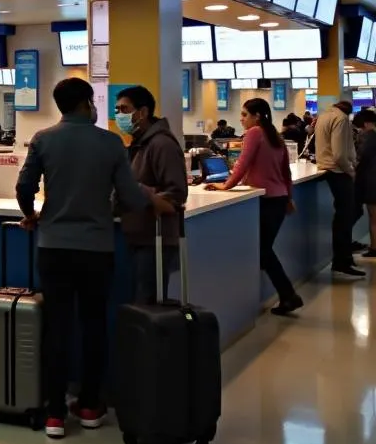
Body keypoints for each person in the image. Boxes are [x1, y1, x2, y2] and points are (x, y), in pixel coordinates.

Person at [16, 77, 174, 440]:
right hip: (96, 249)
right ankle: (90, 405)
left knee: (56, 327)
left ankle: (55, 412)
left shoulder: (43, 139)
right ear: (88, 103)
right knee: (93, 325)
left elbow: (25, 187)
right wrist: (156, 202)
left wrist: (32, 215)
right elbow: (131, 196)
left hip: (53, 246)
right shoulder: (110, 143)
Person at [206, 98, 303, 316]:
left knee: (262, 250)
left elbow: (243, 162)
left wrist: (225, 185)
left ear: (257, 116)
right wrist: (289, 197)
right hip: (278, 199)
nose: (241, 119)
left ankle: (288, 295)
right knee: (263, 250)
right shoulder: (276, 136)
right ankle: (282, 295)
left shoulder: (254, 133)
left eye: (244, 115)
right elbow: (285, 172)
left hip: (266, 199)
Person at [114, 86, 189, 303]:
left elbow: (175, 197)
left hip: (155, 240)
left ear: (143, 112)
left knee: (147, 303)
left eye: (124, 109)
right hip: (137, 236)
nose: (119, 115)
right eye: (117, 110)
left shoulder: (161, 144)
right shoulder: (138, 145)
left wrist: (138, 190)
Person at [314, 99, 366, 279]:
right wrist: (350, 170)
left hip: (327, 168)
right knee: (346, 217)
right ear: (348, 112)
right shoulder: (341, 119)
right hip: (338, 171)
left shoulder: (323, 116)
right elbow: (339, 153)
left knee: (344, 217)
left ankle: (344, 258)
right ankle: (341, 262)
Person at [354, 108, 376, 257]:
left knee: (373, 216)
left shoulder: (368, 137)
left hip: (371, 182)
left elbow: (359, 159)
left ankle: (374, 247)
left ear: (366, 124)